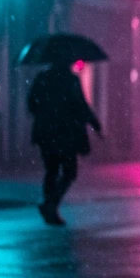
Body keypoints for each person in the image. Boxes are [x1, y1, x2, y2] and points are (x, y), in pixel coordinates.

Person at [28, 61, 102, 225]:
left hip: (46, 132)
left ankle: (50, 205)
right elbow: (82, 105)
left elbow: (31, 103)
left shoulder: (42, 78)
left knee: (51, 170)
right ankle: (51, 204)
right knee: (69, 171)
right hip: (65, 133)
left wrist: (44, 114)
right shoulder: (70, 80)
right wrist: (94, 123)